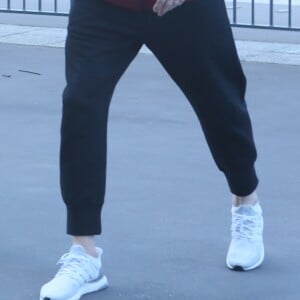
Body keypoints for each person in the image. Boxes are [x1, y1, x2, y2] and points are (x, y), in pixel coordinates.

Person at [40, 0, 264, 299]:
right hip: (102, 7)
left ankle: (245, 200)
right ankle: (84, 251)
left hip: (187, 9)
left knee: (220, 103)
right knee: (81, 103)